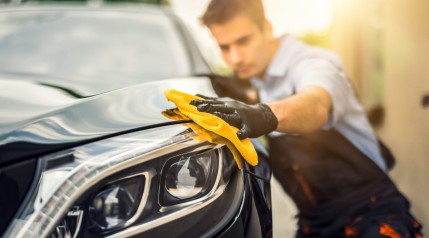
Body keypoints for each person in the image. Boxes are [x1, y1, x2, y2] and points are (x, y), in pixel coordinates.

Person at [190, 0, 423, 237]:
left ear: (267, 28)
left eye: (243, 41)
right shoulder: (256, 81)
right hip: (315, 224)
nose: (235, 58)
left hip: (372, 216)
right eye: (224, 48)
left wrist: (263, 114)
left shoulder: (313, 62)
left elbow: (316, 104)